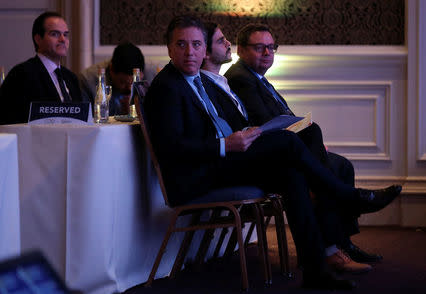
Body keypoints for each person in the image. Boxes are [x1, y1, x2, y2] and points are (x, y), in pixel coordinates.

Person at [145, 15, 401, 290]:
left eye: (196, 44)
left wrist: (244, 135)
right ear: (169, 48)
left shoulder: (199, 81)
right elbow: (171, 148)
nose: (190, 51)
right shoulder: (166, 87)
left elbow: (219, 124)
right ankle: (350, 197)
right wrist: (225, 145)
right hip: (195, 177)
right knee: (287, 143)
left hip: (220, 163)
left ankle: (316, 272)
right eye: (181, 44)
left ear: (203, 49)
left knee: (292, 174)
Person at [200, 22, 375, 274]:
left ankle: (341, 243)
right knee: (317, 163)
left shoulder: (257, 79)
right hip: (256, 156)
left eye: (271, 47)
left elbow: (285, 118)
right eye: (260, 47)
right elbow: (263, 123)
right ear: (241, 50)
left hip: (274, 149)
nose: (267, 53)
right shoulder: (240, 78)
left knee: (340, 165)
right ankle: (330, 246)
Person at [0, 11, 83, 125]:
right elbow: (10, 121)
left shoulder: (71, 78)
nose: (63, 39)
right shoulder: (21, 74)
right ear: (38, 39)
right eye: (55, 34)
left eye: (65, 34)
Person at [79, 42, 145, 115]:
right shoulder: (88, 81)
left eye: (134, 83)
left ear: (142, 73)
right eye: (122, 82)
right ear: (111, 70)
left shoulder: (152, 76)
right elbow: (86, 120)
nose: (129, 89)